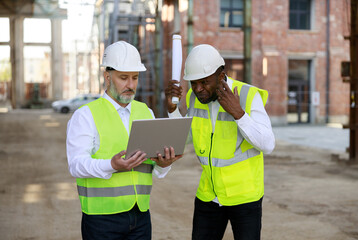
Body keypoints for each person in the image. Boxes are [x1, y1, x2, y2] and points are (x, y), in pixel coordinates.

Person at [66, 41, 182, 240]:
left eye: (135, 78)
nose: (131, 85)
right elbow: (76, 165)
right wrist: (111, 165)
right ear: (107, 77)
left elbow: (155, 167)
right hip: (101, 220)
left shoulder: (145, 112)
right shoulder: (86, 115)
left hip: (140, 217)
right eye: (123, 78)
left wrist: (164, 164)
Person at [165, 44, 275, 240]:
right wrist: (173, 110)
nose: (198, 89)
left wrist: (239, 114)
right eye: (194, 83)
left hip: (244, 197)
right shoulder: (194, 98)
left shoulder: (248, 96)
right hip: (209, 195)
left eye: (205, 82)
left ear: (221, 75)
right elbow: (185, 138)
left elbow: (268, 144)